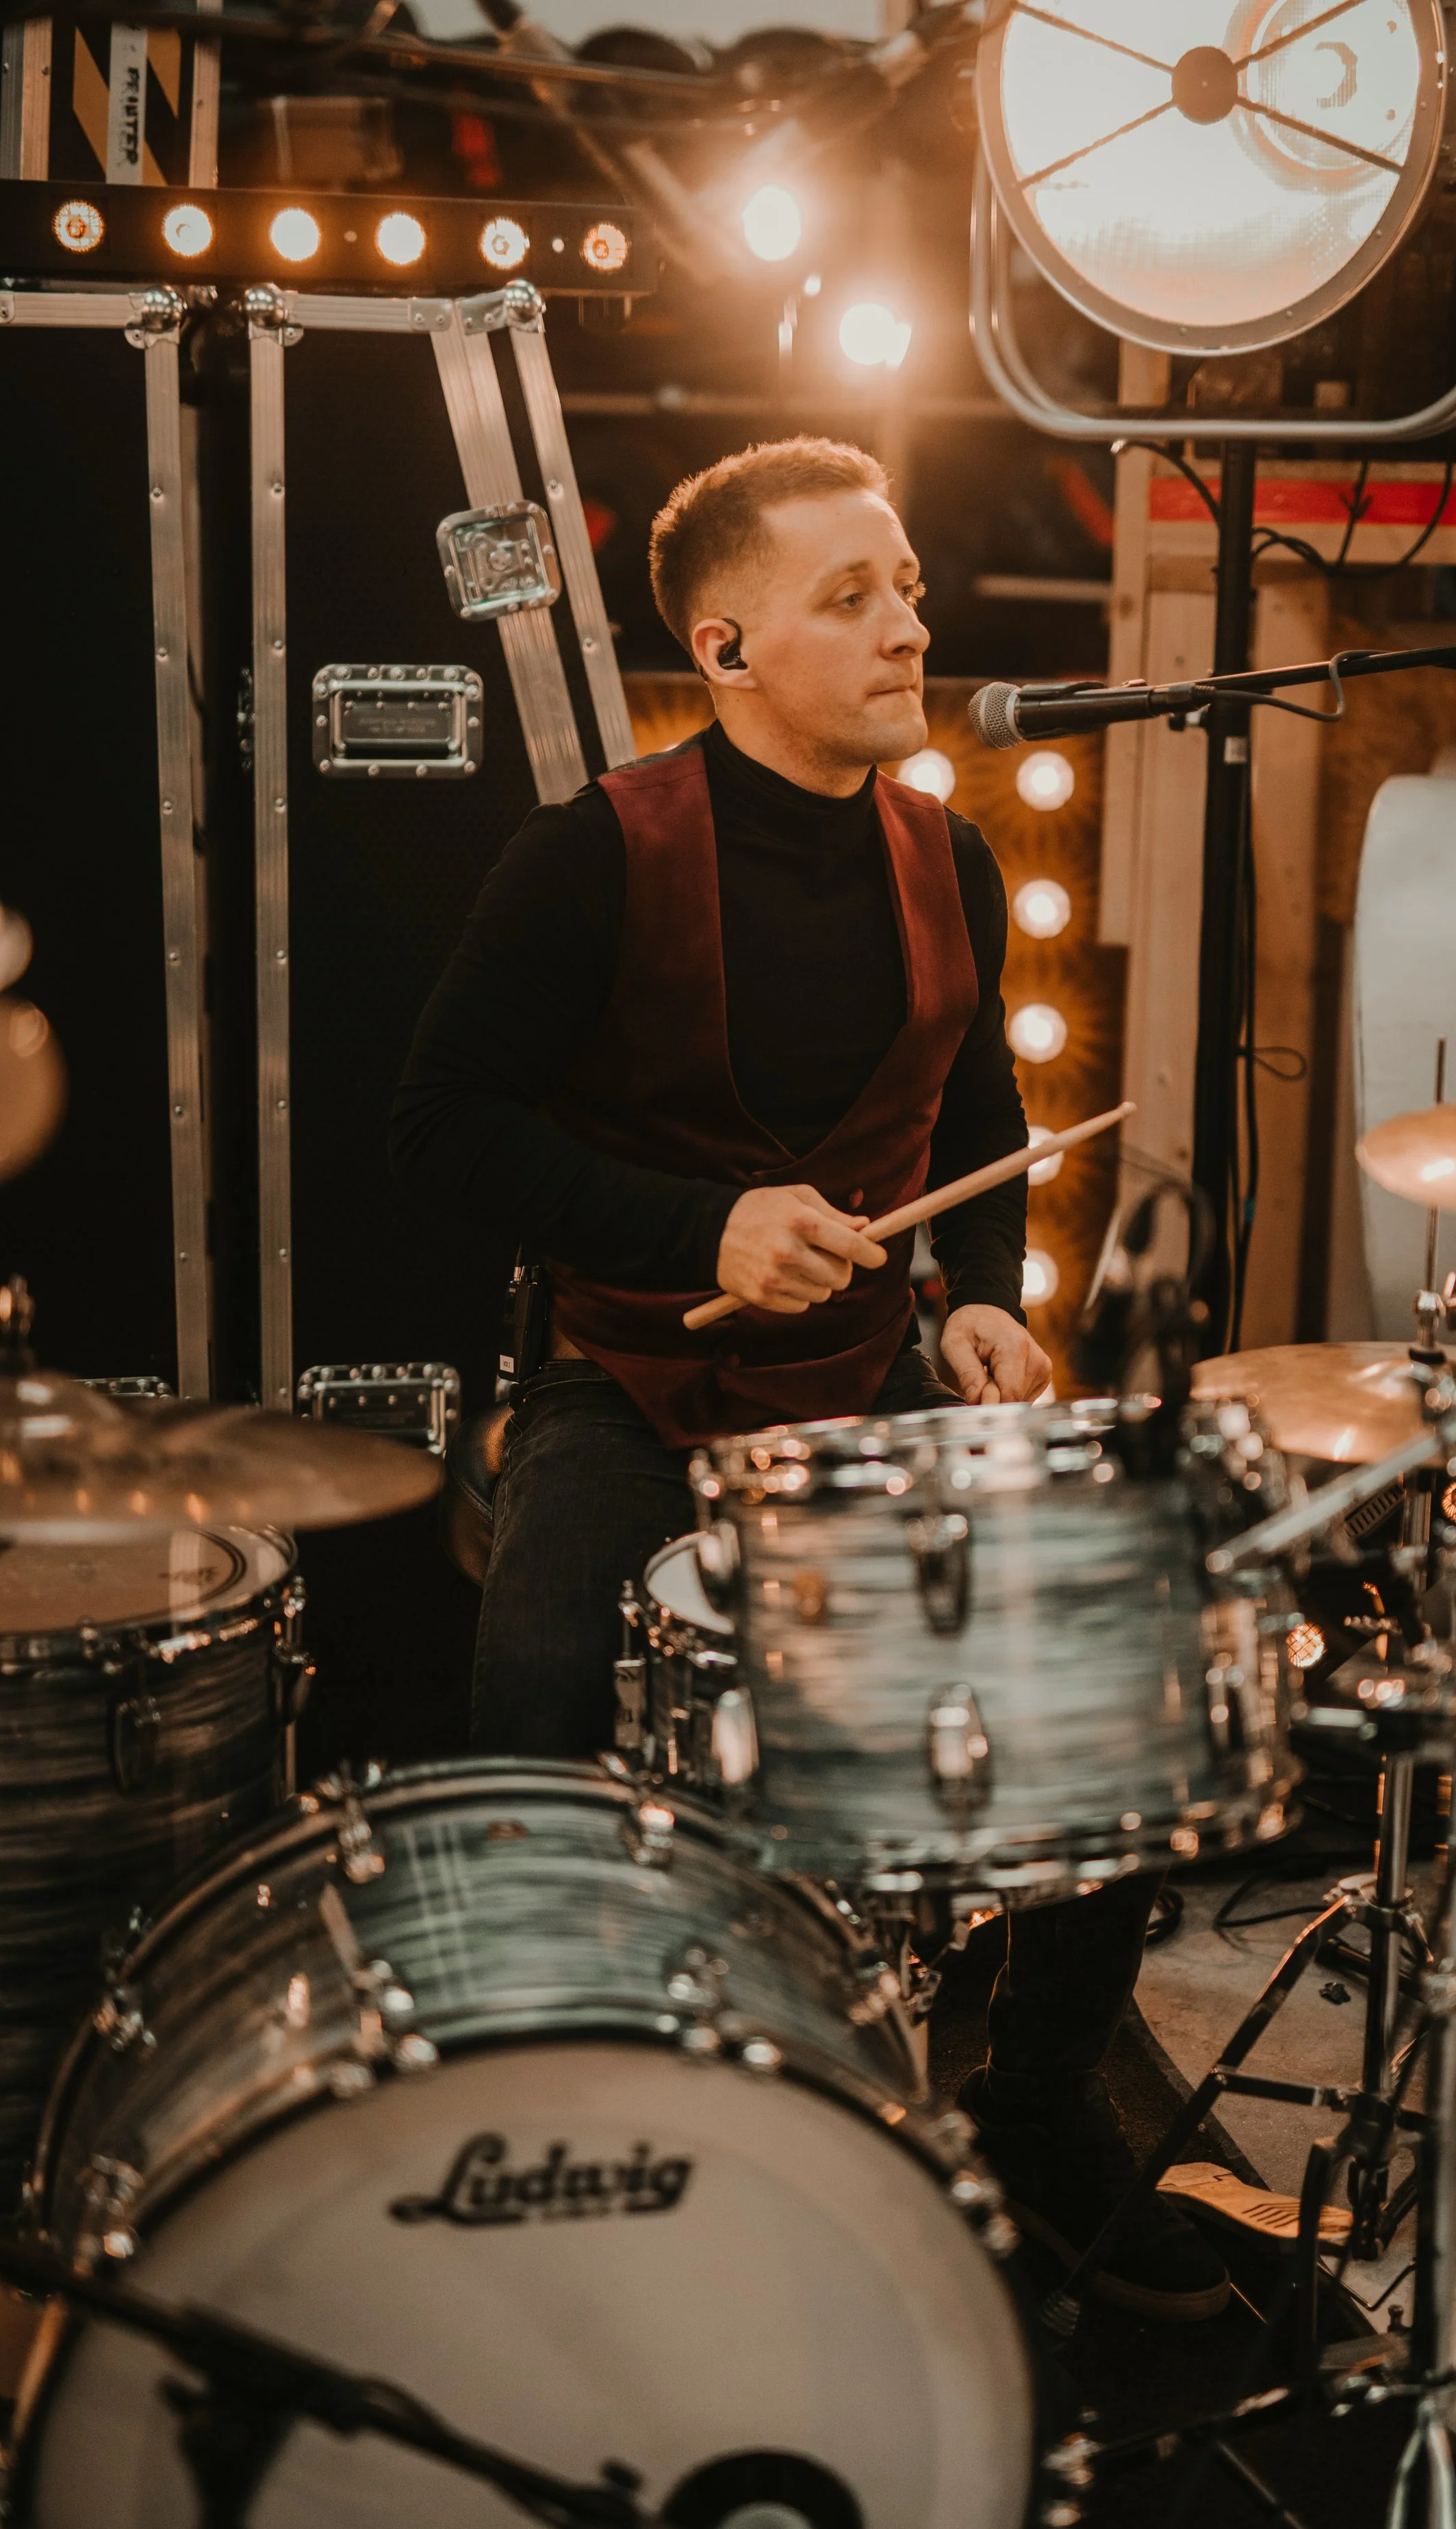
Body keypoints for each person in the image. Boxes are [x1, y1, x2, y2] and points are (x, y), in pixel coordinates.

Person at [392, 437, 1227, 2323]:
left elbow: (985, 1122)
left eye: (906, 587)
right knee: (534, 1702)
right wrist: (703, 1228)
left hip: (866, 1377)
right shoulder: (590, 854)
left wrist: (980, 1300)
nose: (907, 626)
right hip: (630, 1376)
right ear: (727, 645)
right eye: (851, 598)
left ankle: (1036, 2104)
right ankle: (550, 2133)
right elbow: (437, 1127)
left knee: (1115, 1678)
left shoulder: (949, 854)